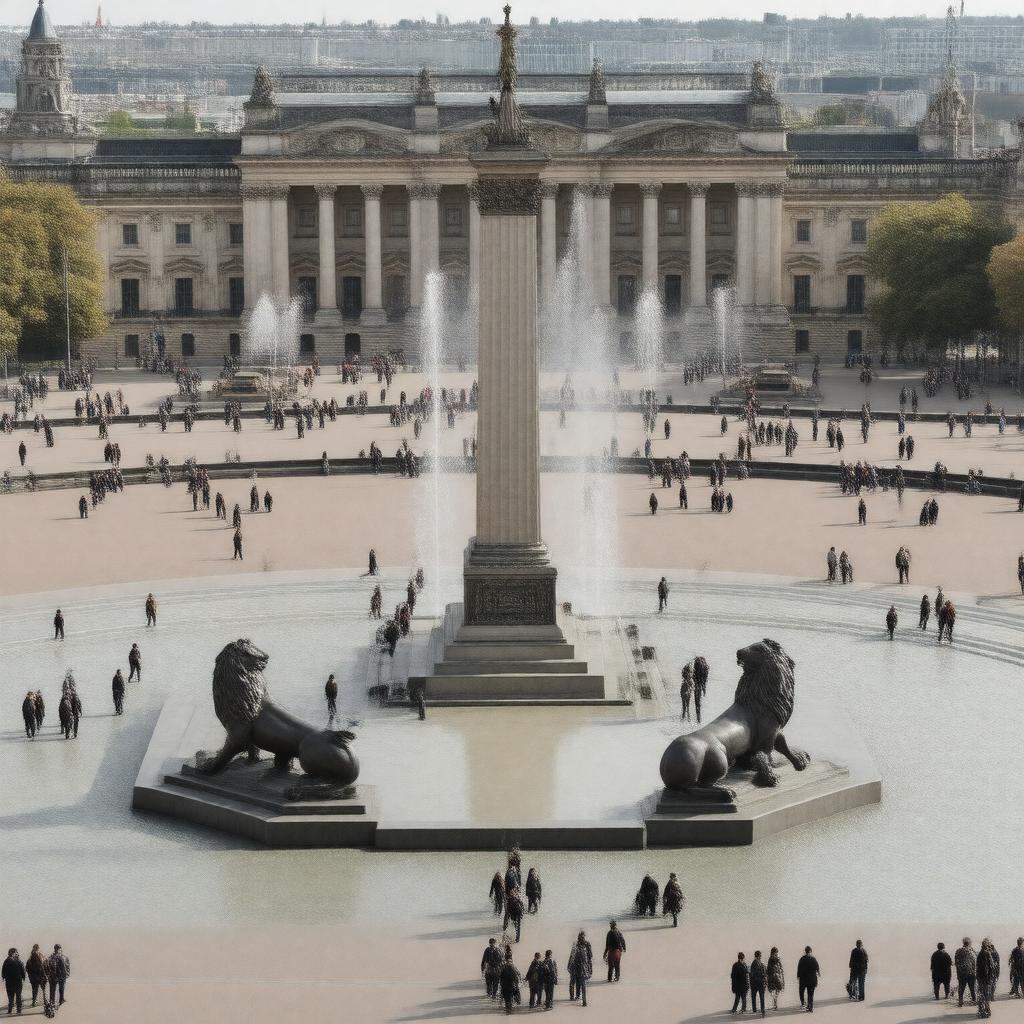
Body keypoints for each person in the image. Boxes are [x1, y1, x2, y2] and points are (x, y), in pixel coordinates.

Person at [568, 931, 592, 1007]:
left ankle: (581, 999)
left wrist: (589, 968)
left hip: (581, 967)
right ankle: (576, 996)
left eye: (583, 937)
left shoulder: (584, 944)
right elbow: (571, 956)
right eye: (581, 937)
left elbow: (590, 956)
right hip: (578, 967)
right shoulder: (577, 945)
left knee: (580, 983)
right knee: (577, 983)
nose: (582, 938)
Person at [2, 948, 25, 1016]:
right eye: (16, 952)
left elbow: (3, 971)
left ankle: (10, 1010)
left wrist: (4, 977)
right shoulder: (18, 961)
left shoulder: (6, 961)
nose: (17, 953)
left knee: (10, 996)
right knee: (18, 996)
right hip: (18, 982)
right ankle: (19, 1010)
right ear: (13, 953)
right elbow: (23, 970)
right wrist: (23, 977)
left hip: (9, 982)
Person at [977, 939, 997, 1018]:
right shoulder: (988, 954)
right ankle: (987, 1010)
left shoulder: (979, 954)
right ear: (987, 946)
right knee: (987, 994)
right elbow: (992, 967)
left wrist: (978, 977)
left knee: (981, 994)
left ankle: (982, 1011)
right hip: (987, 978)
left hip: (981, 978)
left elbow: (978, 967)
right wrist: (992, 977)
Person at [499, 948, 521, 1015]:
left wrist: (501, 984)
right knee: (512, 995)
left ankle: (508, 1008)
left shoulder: (503, 966)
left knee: (506, 997)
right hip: (512, 984)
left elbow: (501, 976)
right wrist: (517, 983)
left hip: (505, 985)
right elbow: (517, 974)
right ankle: (512, 1006)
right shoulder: (513, 965)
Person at [956, 937, 978, 1007]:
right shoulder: (973, 952)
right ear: (970, 943)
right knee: (972, 989)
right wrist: (975, 973)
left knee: (961, 989)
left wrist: (958, 974)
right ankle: (974, 1001)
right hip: (971, 974)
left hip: (962, 973)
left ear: (963, 943)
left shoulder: (958, 951)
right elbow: (975, 963)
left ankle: (960, 1002)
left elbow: (957, 963)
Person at [797, 946, 819, 1012]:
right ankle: (810, 1007)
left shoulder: (802, 959)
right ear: (810, 951)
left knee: (801, 991)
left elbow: (799, 968)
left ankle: (803, 1003)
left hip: (804, 979)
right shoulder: (813, 959)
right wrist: (817, 976)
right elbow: (817, 968)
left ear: (805, 951)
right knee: (810, 994)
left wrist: (798, 976)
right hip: (812, 980)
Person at [750, 950, 768, 1017]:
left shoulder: (758, 963)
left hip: (757, 983)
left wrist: (763, 977)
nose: (760, 957)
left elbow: (755, 974)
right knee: (759, 997)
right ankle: (759, 1009)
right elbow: (753, 974)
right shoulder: (755, 963)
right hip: (757, 983)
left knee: (759, 997)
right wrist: (761, 979)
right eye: (760, 956)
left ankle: (760, 1009)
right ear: (758, 956)